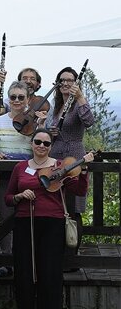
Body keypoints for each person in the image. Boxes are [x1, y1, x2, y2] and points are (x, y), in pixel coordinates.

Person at [4, 129, 93, 309]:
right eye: (38, 142)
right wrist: (20, 195)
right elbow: (8, 198)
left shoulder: (60, 167)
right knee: (24, 271)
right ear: (31, 143)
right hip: (25, 222)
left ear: (51, 146)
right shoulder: (20, 167)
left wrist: (84, 171)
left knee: (49, 272)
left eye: (46, 143)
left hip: (53, 223)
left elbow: (79, 190)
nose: (41, 146)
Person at [0, 81, 36, 278]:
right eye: (13, 97)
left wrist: (40, 125)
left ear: (28, 100)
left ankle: (27, 258)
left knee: (28, 216)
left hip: (27, 175)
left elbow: (42, 146)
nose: (17, 100)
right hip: (4, 175)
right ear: (8, 99)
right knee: (5, 216)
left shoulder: (34, 121)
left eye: (21, 97)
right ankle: (6, 259)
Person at [47, 66, 94, 217]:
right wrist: (52, 133)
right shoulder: (57, 106)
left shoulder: (79, 104)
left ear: (76, 83)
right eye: (62, 80)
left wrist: (80, 97)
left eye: (70, 80)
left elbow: (89, 121)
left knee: (73, 205)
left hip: (74, 156)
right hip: (56, 156)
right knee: (54, 202)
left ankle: (74, 232)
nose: (65, 83)